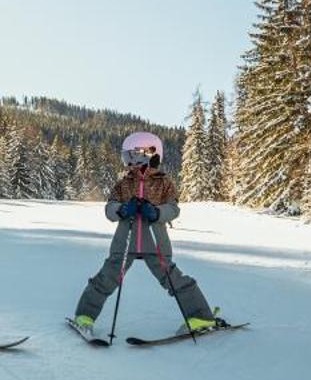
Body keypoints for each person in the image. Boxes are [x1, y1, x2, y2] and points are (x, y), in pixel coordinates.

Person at [72, 130, 221, 334]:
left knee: (173, 279)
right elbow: (109, 208)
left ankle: (200, 318)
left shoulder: (164, 183)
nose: (129, 163)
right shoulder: (124, 183)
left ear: (148, 154)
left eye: (132, 157)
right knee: (107, 277)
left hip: (155, 243)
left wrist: (156, 212)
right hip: (126, 242)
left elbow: (174, 209)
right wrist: (122, 209)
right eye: (127, 158)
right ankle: (84, 316)